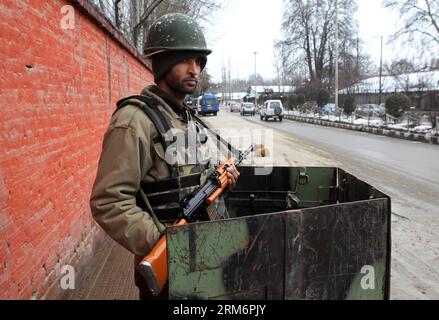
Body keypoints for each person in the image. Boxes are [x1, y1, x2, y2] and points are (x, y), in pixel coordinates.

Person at [89, 13, 240, 300]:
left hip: (205, 264)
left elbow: (189, 182)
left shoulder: (187, 118)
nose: (194, 70)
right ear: (163, 61)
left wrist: (221, 183)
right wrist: (165, 241)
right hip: (171, 274)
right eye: (185, 60)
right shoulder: (134, 122)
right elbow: (108, 201)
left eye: (199, 62)